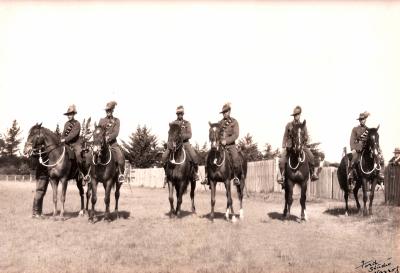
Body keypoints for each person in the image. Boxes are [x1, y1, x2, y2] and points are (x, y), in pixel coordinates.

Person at [201, 102, 241, 186]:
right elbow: (215, 133)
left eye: (226, 112)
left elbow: (236, 135)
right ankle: (207, 177)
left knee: (235, 158)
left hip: (230, 145)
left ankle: (236, 177)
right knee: (207, 157)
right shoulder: (219, 123)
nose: (224, 114)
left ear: (229, 111)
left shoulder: (234, 122)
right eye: (223, 112)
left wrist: (226, 141)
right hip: (220, 146)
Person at [277, 106, 319, 185]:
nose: (297, 116)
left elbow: (306, 135)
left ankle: (313, 174)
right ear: (293, 116)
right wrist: (283, 145)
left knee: (311, 156)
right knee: (282, 160)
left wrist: (305, 139)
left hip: (301, 145)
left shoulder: (303, 125)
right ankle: (281, 176)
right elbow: (285, 135)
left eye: (298, 114)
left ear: (300, 115)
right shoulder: (289, 125)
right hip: (290, 147)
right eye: (295, 115)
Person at [162, 105, 200, 182]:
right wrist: (169, 143)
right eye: (178, 114)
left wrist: (181, 137)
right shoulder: (173, 123)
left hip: (185, 143)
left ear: (183, 114)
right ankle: (166, 175)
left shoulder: (187, 123)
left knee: (194, 156)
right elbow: (170, 134)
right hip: (174, 144)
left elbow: (189, 135)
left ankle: (195, 174)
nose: (180, 115)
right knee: (164, 156)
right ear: (176, 114)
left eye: (181, 114)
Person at [348, 111, 384, 184]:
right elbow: (352, 141)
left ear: (365, 120)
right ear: (359, 120)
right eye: (361, 119)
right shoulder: (355, 129)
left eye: (363, 119)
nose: (362, 121)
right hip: (357, 149)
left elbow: (372, 140)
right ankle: (351, 174)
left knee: (377, 156)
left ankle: (378, 173)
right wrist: (356, 148)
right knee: (354, 159)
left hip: (366, 148)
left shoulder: (368, 129)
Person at [98, 101, 125, 182]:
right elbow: (98, 131)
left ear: (112, 111)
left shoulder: (116, 120)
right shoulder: (101, 120)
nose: (108, 112)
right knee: (92, 154)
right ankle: (89, 174)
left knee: (120, 156)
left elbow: (116, 133)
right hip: (102, 144)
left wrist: (108, 137)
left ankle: (120, 174)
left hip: (112, 144)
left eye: (109, 110)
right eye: (107, 110)